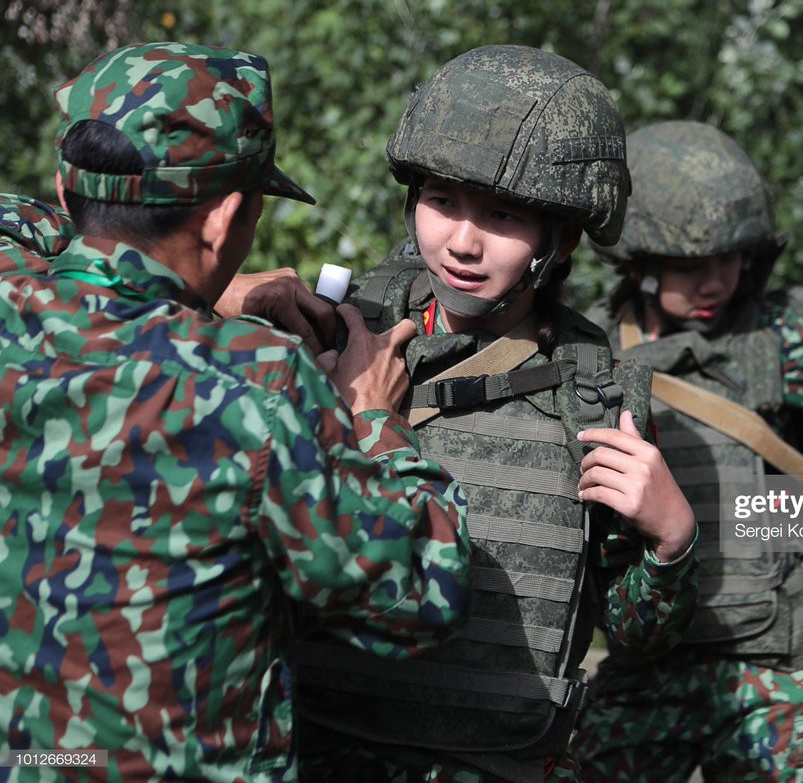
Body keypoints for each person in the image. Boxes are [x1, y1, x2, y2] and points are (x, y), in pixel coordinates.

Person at [0, 42, 474, 782]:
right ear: (224, 218)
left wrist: (180, 278)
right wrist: (376, 418)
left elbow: (18, 222)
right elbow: (422, 588)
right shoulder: (254, 382)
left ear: (67, 189)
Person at [294, 46, 700, 782]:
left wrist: (670, 540)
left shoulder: (595, 393)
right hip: (318, 749)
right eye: (442, 201)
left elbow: (638, 636)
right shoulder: (335, 336)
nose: (463, 241)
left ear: (562, 237)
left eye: (503, 215)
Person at [570, 120, 803, 783]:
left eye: (731, 257)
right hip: (647, 661)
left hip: (772, 669)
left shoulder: (783, 339)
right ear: (643, 262)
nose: (716, 281)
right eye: (692, 265)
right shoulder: (595, 351)